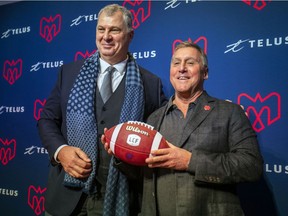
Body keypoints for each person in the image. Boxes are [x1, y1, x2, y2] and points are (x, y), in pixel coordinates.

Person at [102, 41, 263, 215]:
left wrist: (189, 161)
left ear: (205, 72)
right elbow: (143, 174)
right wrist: (120, 155)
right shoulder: (154, 118)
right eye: (176, 63)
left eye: (190, 63)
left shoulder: (230, 112)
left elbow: (251, 166)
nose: (182, 68)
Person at [38, 4, 166, 216]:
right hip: (65, 196)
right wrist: (61, 152)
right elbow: (46, 120)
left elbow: (156, 139)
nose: (106, 36)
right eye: (101, 29)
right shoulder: (68, 73)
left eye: (114, 30)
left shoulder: (151, 84)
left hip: (119, 198)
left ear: (130, 35)